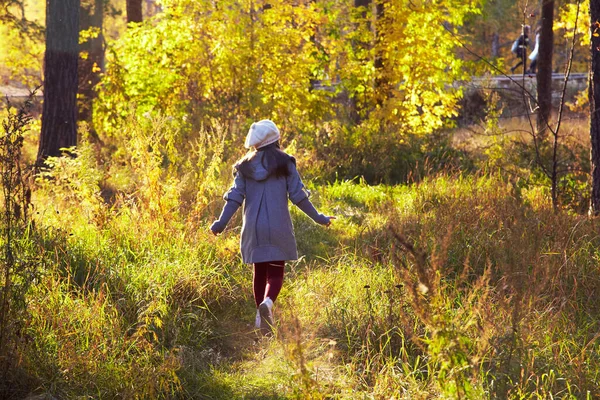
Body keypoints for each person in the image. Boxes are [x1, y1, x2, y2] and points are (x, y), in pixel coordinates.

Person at [210, 119, 335, 335]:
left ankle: (260, 320)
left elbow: (235, 198)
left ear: (255, 143)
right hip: (278, 226)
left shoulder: (244, 167)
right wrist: (319, 217)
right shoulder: (286, 163)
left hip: (254, 228)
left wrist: (221, 223)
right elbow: (298, 196)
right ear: (276, 139)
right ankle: (268, 303)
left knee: (259, 272)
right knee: (276, 273)